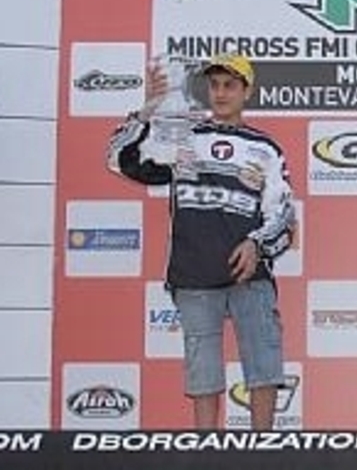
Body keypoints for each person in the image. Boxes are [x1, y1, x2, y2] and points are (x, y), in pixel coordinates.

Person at [106, 52, 295, 430]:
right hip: (193, 273)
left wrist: (256, 244)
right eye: (214, 85)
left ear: (246, 91)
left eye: (230, 85)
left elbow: (283, 215)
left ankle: (264, 451)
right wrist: (147, 111)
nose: (221, 93)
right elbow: (119, 160)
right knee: (203, 372)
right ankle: (206, 451)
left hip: (249, 274)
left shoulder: (266, 148)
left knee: (264, 364)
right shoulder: (183, 137)